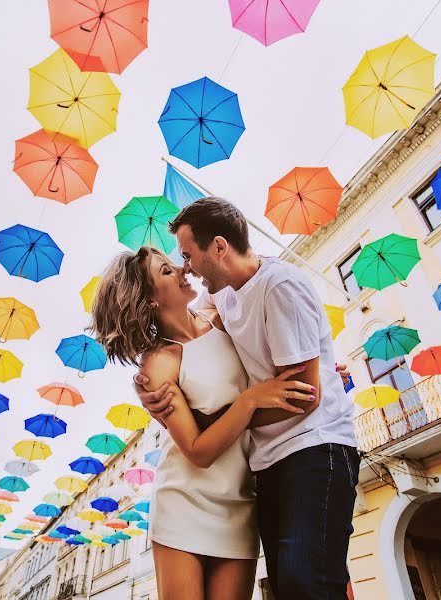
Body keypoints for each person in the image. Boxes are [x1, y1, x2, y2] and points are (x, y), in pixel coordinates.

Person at [135, 197, 360, 599]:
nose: (186, 267)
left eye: (187, 256)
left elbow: (305, 396)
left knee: (305, 582)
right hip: (264, 464)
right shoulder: (220, 297)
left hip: (313, 445)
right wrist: (161, 403)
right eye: (175, 263)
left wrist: (217, 418)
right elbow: (188, 345)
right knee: (294, 584)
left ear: (219, 247)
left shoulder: (280, 286)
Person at [89, 246, 317, 600]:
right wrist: (251, 399)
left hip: (241, 500)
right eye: (166, 271)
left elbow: (273, 345)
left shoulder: (220, 316)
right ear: (149, 300)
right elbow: (197, 451)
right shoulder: (158, 365)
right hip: (184, 503)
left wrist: (325, 374)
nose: (182, 270)